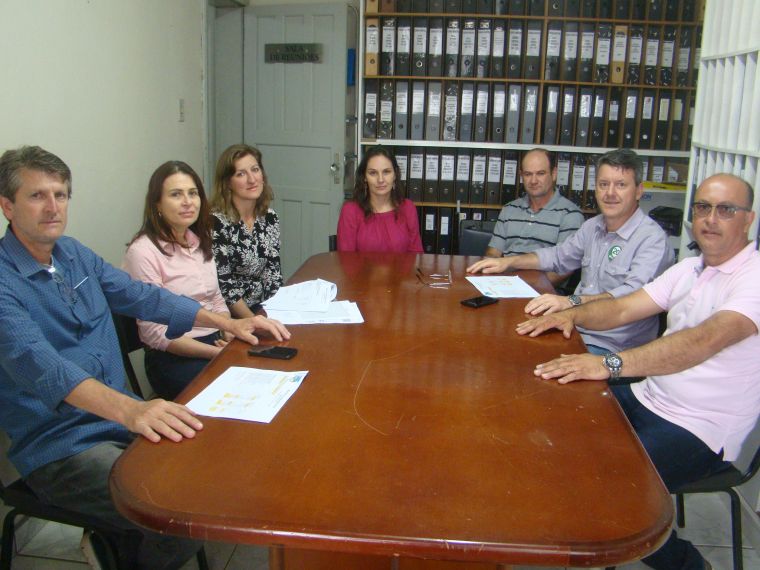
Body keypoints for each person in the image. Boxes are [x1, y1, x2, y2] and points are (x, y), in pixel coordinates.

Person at [0, 146, 290, 569]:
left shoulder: (73, 254)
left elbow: (142, 296)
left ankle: (120, 548)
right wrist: (133, 410)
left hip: (119, 421)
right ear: (7, 206)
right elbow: (44, 366)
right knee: (178, 510)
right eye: (36, 196)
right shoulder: (4, 282)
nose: (52, 207)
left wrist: (226, 323)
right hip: (62, 445)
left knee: (216, 475)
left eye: (60, 195)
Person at [516, 173, 759, 570]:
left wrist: (608, 364)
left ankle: (689, 565)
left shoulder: (754, 278)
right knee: (551, 414)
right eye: (702, 207)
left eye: (725, 209)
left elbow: (702, 341)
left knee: (608, 490)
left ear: (748, 219)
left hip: (702, 427)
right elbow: (624, 308)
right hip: (650, 397)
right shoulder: (691, 267)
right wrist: (570, 314)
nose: (711, 219)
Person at [468, 148, 674, 355]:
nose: (610, 193)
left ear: (638, 191)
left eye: (621, 185)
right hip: (574, 328)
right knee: (498, 343)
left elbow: (628, 300)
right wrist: (509, 262)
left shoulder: (652, 240)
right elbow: (558, 256)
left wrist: (571, 301)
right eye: (603, 184)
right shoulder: (592, 226)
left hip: (613, 346)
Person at [124, 161, 237, 400]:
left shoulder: (198, 240)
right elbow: (155, 333)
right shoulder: (142, 251)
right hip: (174, 354)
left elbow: (216, 299)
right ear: (157, 204)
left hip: (215, 340)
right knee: (232, 394)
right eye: (176, 194)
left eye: (193, 193)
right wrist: (215, 354)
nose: (188, 202)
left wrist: (227, 331)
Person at [485, 148, 584, 286]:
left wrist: (526, 288)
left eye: (540, 173)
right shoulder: (509, 209)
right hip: (503, 286)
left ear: (554, 174)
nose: (533, 180)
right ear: (521, 176)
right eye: (528, 174)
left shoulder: (570, 214)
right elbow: (493, 254)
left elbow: (564, 268)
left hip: (544, 292)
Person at [210, 144, 283, 317]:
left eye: (255, 170)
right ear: (228, 183)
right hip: (231, 315)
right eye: (241, 174)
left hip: (262, 308)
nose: (252, 179)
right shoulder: (216, 223)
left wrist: (278, 312)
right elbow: (225, 287)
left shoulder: (269, 217)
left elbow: (273, 273)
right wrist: (255, 322)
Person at [337, 145, 423, 253]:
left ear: (395, 175)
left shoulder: (407, 208)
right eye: (373, 173)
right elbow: (346, 259)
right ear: (364, 177)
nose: (380, 179)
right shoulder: (350, 211)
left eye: (386, 172)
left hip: (402, 266)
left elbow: (416, 255)